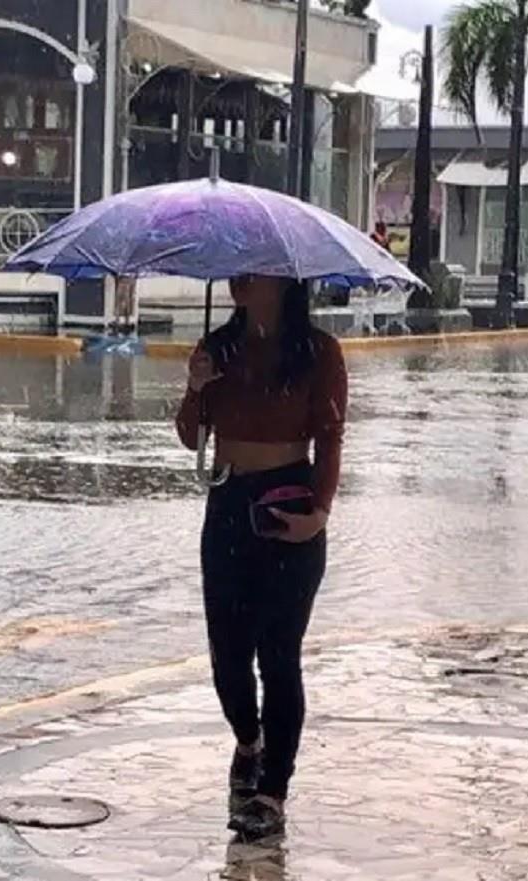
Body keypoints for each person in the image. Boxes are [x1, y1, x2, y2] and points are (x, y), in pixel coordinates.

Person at [175, 275, 347, 840]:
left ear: (285, 280)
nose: (239, 280)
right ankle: (248, 741)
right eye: (236, 270)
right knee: (228, 656)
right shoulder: (218, 347)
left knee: (279, 656)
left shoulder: (318, 352)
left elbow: (331, 440)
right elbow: (187, 435)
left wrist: (319, 512)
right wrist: (196, 387)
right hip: (227, 502)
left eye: (256, 270)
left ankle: (272, 793)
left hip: (287, 500)